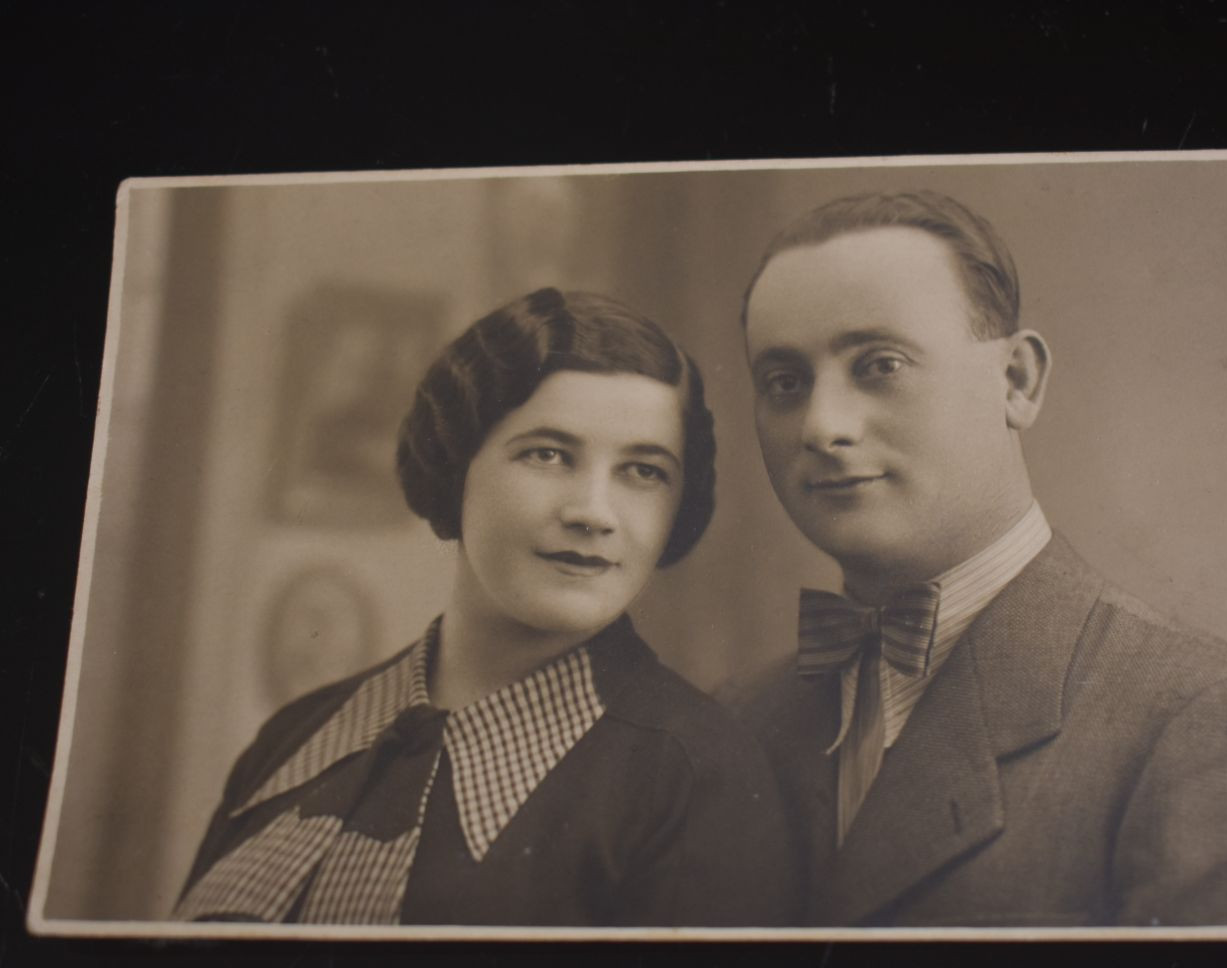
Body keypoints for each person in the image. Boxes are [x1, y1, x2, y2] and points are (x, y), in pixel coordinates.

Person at [736, 190, 1227, 927]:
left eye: (879, 365)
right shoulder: (730, 723)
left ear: (1016, 382)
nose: (822, 425)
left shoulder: (1204, 729)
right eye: (784, 383)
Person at [177, 287, 794, 926]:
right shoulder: (298, 735)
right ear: (455, 463)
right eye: (548, 455)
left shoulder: (692, 778)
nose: (592, 512)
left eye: (643, 471)